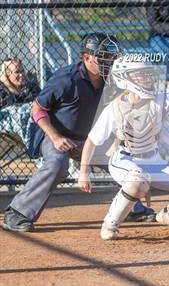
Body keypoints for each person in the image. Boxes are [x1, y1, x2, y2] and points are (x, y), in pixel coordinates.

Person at [77, 56, 169, 240]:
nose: (147, 78)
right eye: (140, 74)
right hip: (125, 159)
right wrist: (83, 173)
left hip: (153, 161)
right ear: (124, 78)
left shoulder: (159, 99)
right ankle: (111, 223)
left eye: (148, 74)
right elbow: (91, 141)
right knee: (137, 180)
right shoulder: (114, 108)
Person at [2, 33, 123, 232]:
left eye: (110, 56)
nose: (109, 60)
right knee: (57, 164)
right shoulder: (67, 78)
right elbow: (38, 109)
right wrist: (56, 137)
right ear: (87, 58)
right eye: (103, 56)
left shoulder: (110, 80)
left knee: (120, 159)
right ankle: (17, 214)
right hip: (54, 134)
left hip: (87, 139)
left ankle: (131, 206)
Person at [0, 57, 40, 149]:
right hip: (8, 125)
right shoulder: (1, 90)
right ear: (6, 74)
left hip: (32, 123)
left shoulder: (31, 88)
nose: (22, 75)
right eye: (17, 72)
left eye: (22, 71)